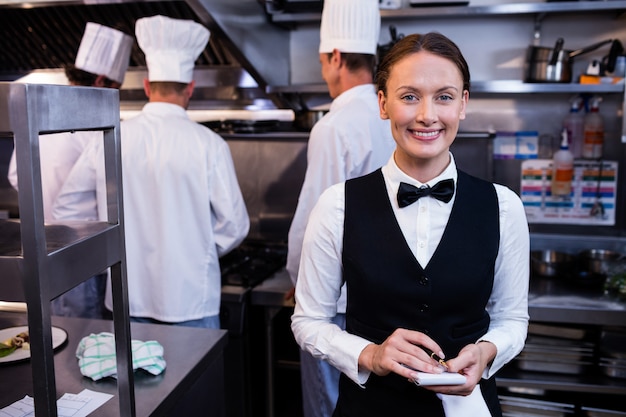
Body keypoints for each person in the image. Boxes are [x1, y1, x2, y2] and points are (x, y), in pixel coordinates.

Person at [291, 32, 530, 417]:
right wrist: (369, 353)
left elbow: (512, 319)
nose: (427, 115)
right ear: (383, 104)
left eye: (445, 97)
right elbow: (308, 321)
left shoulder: (504, 207)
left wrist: (486, 352)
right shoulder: (338, 205)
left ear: (463, 104)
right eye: (409, 96)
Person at [53, 15, 249, 329]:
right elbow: (235, 225)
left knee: (134, 380)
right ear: (191, 89)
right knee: (195, 378)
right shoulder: (209, 144)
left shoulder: (112, 137)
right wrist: (195, 249)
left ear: (146, 86)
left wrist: (113, 247)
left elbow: (67, 208)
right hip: (192, 302)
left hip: (126, 299)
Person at [285, 0, 396, 416]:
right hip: (386, 299)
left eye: (322, 61)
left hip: (338, 305)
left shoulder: (334, 126)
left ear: (335, 58)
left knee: (330, 407)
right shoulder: (393, 114)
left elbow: (311, 222)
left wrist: (298, 279)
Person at [7, 22, 133, 318]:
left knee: (55, 340)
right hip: (83, 255)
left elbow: (15, 176)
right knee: (81, 340)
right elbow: (104, 190)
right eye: (116, 89)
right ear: (102, 81)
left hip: (38, 251)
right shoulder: (93, 121)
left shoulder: (45, 109)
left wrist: (45, 209)